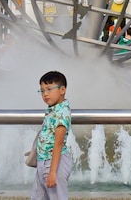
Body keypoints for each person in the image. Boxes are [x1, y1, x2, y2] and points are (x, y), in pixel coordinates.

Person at [32, 70, 72, 200]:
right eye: (42, 90)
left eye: (49, 89)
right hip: (44, 160)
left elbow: (58, 143)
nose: (45, 94)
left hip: (54, 163)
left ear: (62, 90)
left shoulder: (62, 113)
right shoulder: (52, 109)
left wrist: (53, 172)